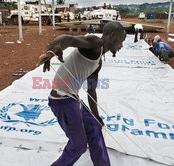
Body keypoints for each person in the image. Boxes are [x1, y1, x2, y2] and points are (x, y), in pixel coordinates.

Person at [36, 22, 126, 166]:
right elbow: (68, 39)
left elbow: (91, 90)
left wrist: (96, 116)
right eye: (121, 41)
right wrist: (52, 51)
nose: (121, 45)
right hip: (62, 100)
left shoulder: (98, 62)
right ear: (113, 36)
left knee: (95, 126)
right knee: (78, 146)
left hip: (72, 99)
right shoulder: (95, 43)